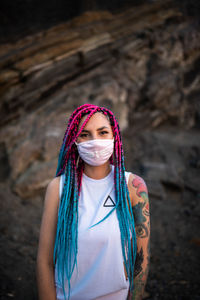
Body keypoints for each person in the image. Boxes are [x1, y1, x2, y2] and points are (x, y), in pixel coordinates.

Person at [36, 104, 150, 300]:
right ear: (74, 141)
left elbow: (141, 258)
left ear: (114, 137)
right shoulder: (58, 188)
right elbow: (45, 261)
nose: (95, 141)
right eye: (85, 134)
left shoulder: (133, 187)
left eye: (102, 132)